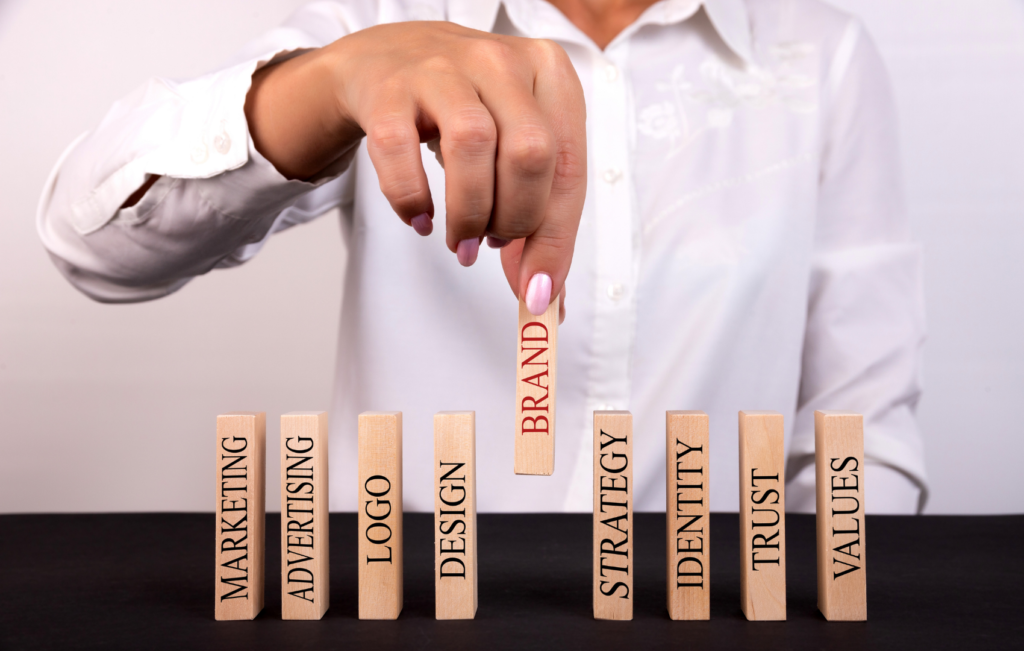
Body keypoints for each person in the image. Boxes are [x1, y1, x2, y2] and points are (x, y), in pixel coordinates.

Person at [36, 0, 927, 514]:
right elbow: (95, 240)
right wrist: (328, 81)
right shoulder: (385, 18)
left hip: (699, 608)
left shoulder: (823, 55)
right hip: (403, 608)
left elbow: (862, 424)